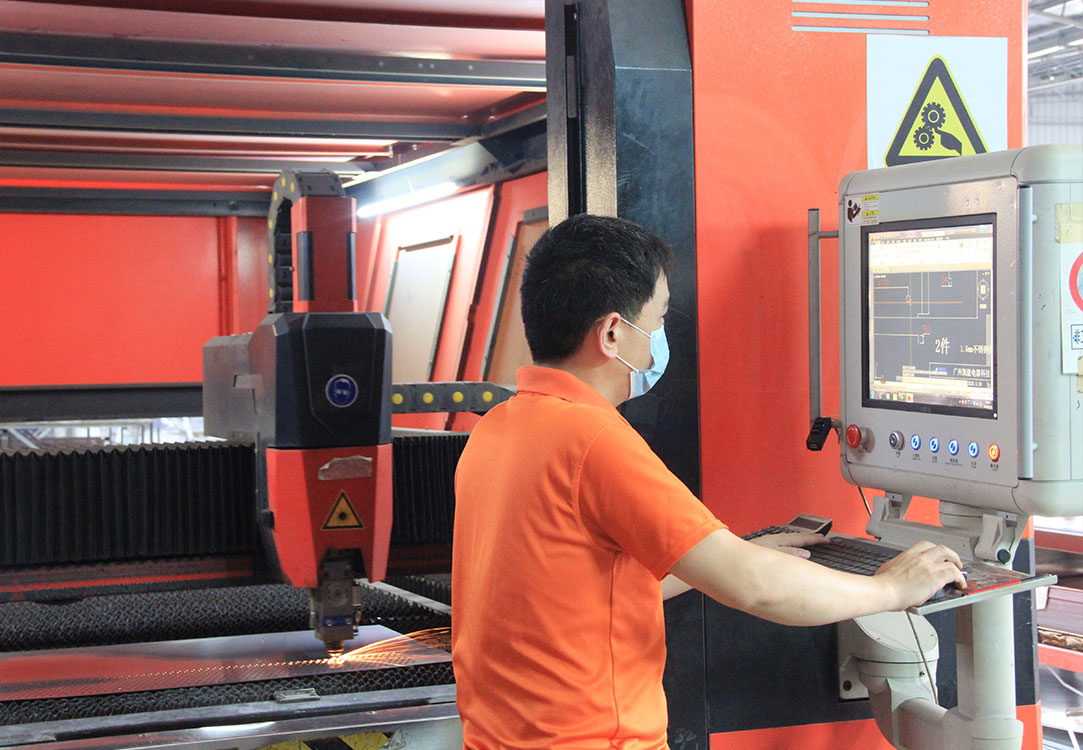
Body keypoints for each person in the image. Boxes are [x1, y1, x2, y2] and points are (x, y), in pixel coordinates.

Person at [450, 213, 965, 750]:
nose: (660, 337)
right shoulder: (593, 441)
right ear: (611, 333)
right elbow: (755, 588)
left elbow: (580, 593)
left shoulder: (499, 429)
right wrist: (889, 589)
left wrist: (727, 556)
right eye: (658, 318)